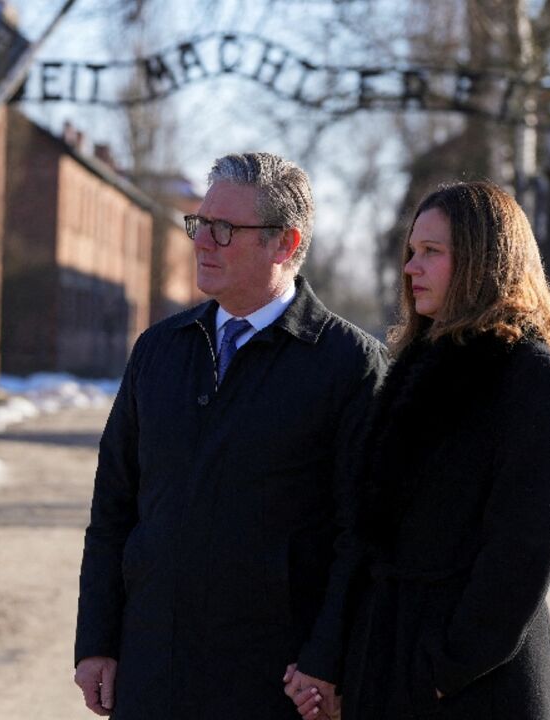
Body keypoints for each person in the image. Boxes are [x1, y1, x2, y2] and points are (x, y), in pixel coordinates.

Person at [73, 152, 387, 718]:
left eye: (224, 229)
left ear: (285, 245)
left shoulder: (349, 365)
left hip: (274, 684)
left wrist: (327, 659)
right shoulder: (158, 350)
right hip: (152, 671)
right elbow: (113, 508)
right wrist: (97, 642)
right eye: (199, 224)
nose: (202, 242)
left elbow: (361, 536)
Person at [296, 181, 550, 719]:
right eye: (411, 252)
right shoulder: (415, 366)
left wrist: (444, 669)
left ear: (481, 261)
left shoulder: (525, 373)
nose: (410, 268)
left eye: (431, 252)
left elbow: (522, 549)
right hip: (394, 665)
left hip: (475, 686)